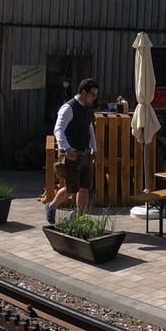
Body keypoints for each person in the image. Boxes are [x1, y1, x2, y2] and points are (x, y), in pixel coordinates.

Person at [48, 77, 99, 224]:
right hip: (72, 154)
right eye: (93, 94)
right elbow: (58, 130)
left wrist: (94, 147)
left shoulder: (88, 108)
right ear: (84, 92)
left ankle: (80, 218)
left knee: (85, 188)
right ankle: (52, 206)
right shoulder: (68, 108)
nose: (94, 98)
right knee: (71, 188)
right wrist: (67, 148)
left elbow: (90, 129)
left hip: (86, 153)